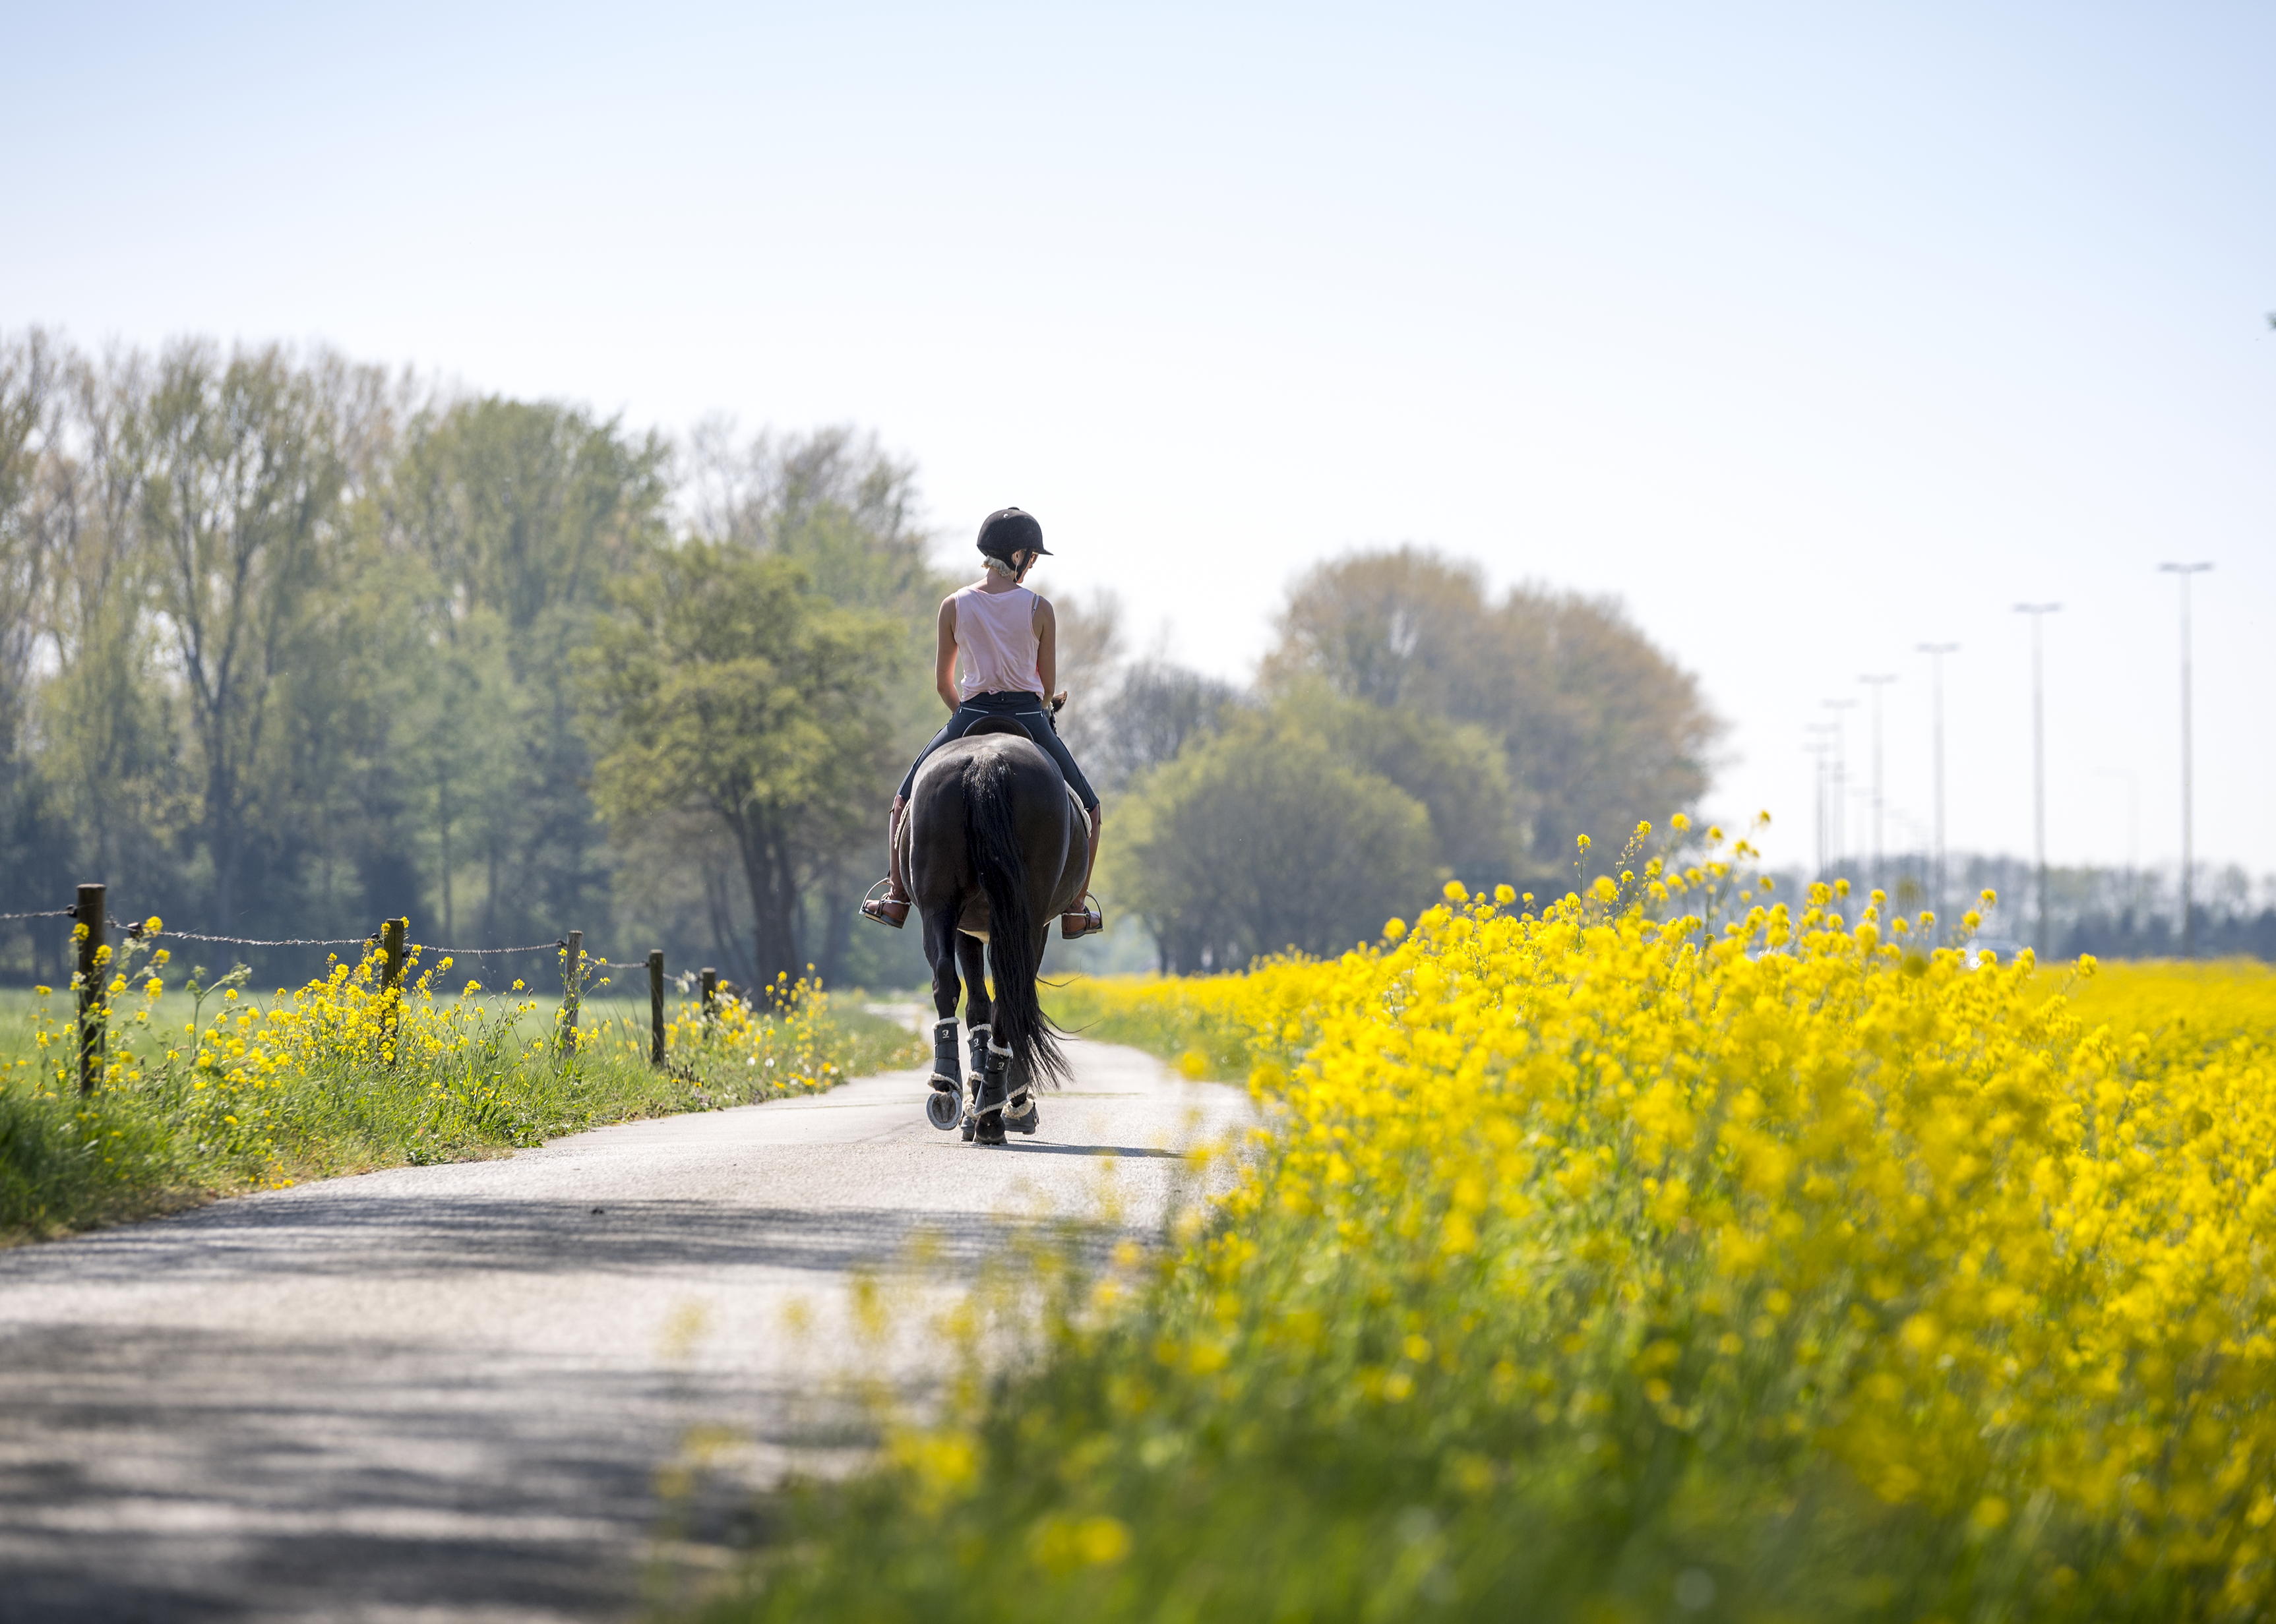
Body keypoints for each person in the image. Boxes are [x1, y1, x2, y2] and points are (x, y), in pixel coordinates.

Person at [861, 507, 1102, 928]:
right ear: (1017, 555)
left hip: (970, 713)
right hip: (1029, 716)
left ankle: (897, 896)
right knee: (1091, 808)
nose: (1032, 565)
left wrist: (966, 717)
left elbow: (943, 683)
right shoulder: (1040, 608)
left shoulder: (953, 605)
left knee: (902, 803)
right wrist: (1036, 704)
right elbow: (1047, 688)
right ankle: (1076, 907)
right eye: (1032, 557)